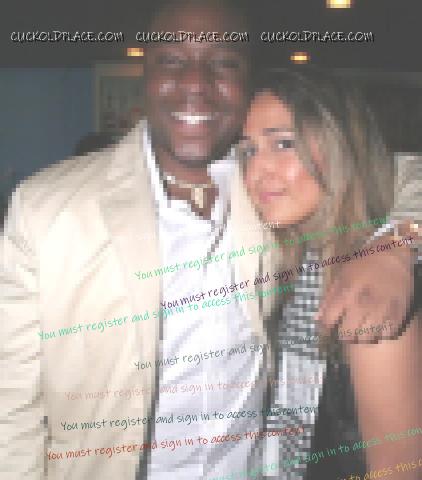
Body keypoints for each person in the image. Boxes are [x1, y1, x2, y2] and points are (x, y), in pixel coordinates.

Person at [0, 1, 419, 478]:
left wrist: (397, 244)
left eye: (223, 62)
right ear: (145, 72)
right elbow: (11, 408)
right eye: (172, 59)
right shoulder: (48, 208)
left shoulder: (270, 204)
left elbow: (393, 169)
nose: (196, 82)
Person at [239, 69, 421, 479]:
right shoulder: (294, 257)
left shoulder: (369, 284)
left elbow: (396, 469)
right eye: (249, 150)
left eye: (284, 144)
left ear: (341, 149)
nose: (257, 171)